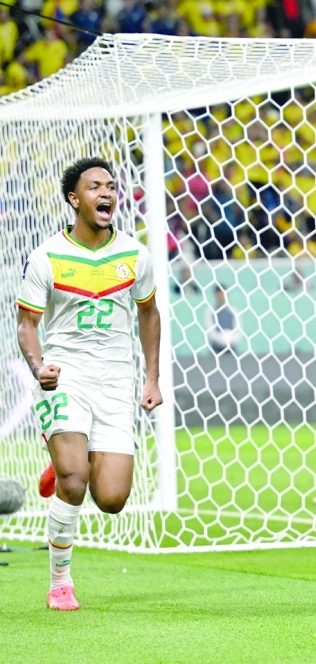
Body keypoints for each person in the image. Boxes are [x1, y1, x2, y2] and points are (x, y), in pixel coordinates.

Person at [17, 158, 162, 611]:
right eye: (95, 187)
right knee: (76, 480)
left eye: (112, 187)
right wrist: (38, 364)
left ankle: (62, 463)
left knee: (113, 499)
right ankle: (61, 580)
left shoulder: (135, 256)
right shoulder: (47, 257)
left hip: (117, 382)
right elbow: (26, 324)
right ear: (74, 200)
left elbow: (149, 314)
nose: (107, 193)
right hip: (67, 378)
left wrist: (151, 378)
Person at [204, 284, 241, 353]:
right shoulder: (210, 312)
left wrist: (231, 341)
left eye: (223, 293)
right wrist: (223, 341)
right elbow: (211, 332)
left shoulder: (234, 311)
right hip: (216, 350)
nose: (221, 296)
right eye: (219, 293)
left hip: (232, 350)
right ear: (215, 294)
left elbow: (238, 331)